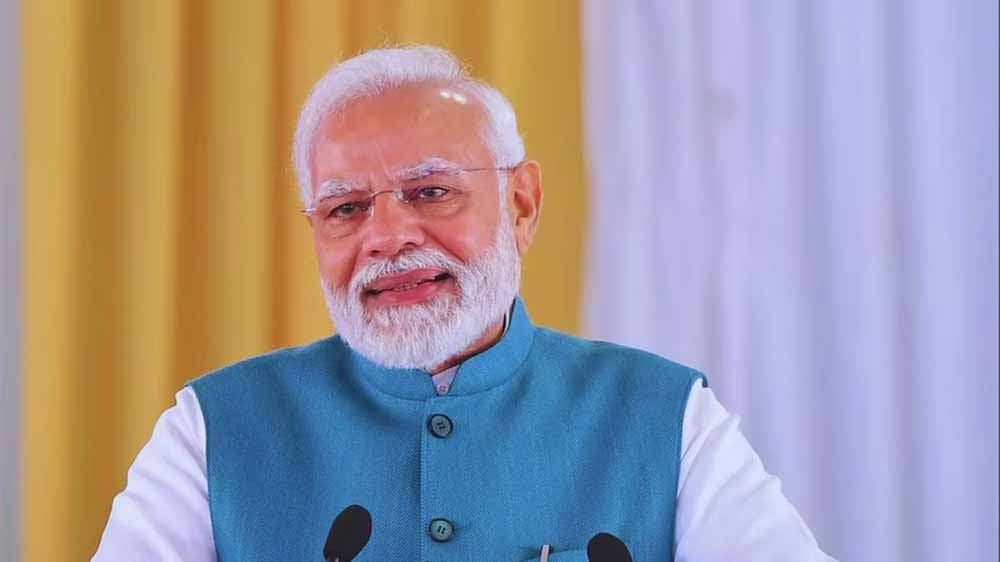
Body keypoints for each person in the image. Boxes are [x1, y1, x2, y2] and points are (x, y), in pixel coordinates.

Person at [93, 45, 835, 562]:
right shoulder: (211, 429)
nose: (387, 236)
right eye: (346, 208)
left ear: (521, 204)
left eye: (430, 191)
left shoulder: (665, 417)